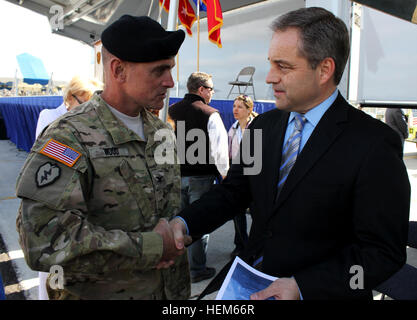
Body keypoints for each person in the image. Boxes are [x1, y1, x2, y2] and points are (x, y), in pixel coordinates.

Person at [170, 7, 410, 300]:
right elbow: (233, 192)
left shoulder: (374, 143)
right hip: (246, 283)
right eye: (271, 64)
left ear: (324, 70)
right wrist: (184, 223)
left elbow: (382, 253)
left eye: (283, 67)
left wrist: (304, 287)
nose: (270, 77)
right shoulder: (264, 127)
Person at [16, 15, 190, 300]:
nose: (170, 82)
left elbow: (167, 214)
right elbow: (43, 241)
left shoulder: (161, 132)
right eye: (159, 71)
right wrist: (150, 246)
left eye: (170, 69)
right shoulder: (68, 136)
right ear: (118, 70)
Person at [35, 75, 102, 300]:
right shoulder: (50, 117)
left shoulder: (88, 122)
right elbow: (49, 154)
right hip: (52, 202)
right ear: (68, 97)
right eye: (82, 102)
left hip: (79, 205)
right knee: (51, 267)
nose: (87, 109)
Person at [168, 72, 229, 283]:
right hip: (201, 178)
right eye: (210, 89)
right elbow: (220, 150)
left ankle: (179, 267)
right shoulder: (210, 113)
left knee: (178, 223)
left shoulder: (171, 112)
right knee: (200, 223)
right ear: (201, 90)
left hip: (176, 177)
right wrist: (226, 175)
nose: (212, 93)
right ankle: (196, 269)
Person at [228, 95, 257, 257]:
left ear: (249, 109)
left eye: (240, 107)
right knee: (237, 211)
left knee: (256, 211)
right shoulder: (232, 128)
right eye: (234, 106)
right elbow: (229, 152)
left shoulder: (257, 127)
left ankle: (256, 245)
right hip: (238, 172)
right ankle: (241, 244)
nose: (235, 110)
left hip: (254, 172)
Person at [35, 76, 102, 138]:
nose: (88, 110)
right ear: (70, 97)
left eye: (92, 105)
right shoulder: (49, 116)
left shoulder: (92, 123)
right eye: (84, 104)